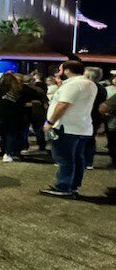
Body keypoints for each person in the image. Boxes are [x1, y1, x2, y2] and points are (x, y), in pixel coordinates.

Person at [40, 60, 98, 198]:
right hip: (82, 126)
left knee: (65, 159)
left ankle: (63, 186)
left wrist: (50, 121)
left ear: (67, 71)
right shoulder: (89, 84)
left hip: (66, 127)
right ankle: (73, 186)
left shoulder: (73, 85)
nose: (58, 73)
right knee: (77, 158)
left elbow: (63, 104)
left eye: (60, 70)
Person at [0, 73, 24, 162]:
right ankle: (7, 154)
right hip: (13, 115)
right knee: (10, 135)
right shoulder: (18, 90)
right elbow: (20, 104)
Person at [83, 67, 108, 170]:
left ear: (89, 76)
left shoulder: (86, 87)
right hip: (96, 116)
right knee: (91, 138)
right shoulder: (102, 89)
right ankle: (88, 162)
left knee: (82, 139)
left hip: (85, 115)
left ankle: (81, 160)